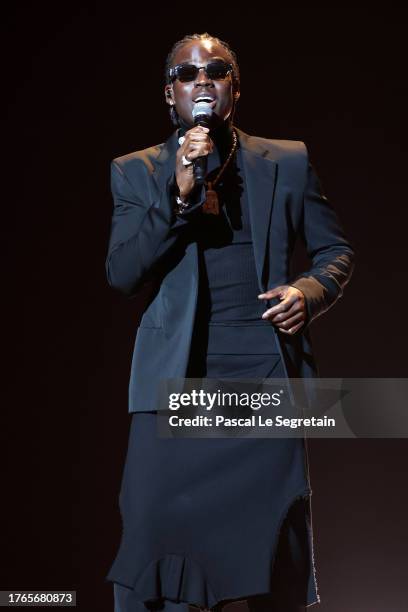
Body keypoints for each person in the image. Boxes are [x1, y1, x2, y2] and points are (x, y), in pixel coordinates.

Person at [105, 33, 354, 612]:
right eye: (187, 73)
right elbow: (122, 273)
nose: (202, 81)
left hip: (262, 373)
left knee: (269, 551)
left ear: (234, 89)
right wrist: (178, 194)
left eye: (216, 71)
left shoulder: (286, 160)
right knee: (154, 549)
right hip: (176, 380)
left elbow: (335, 252)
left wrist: (309, 291)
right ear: (171, 94)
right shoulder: (136, 171)